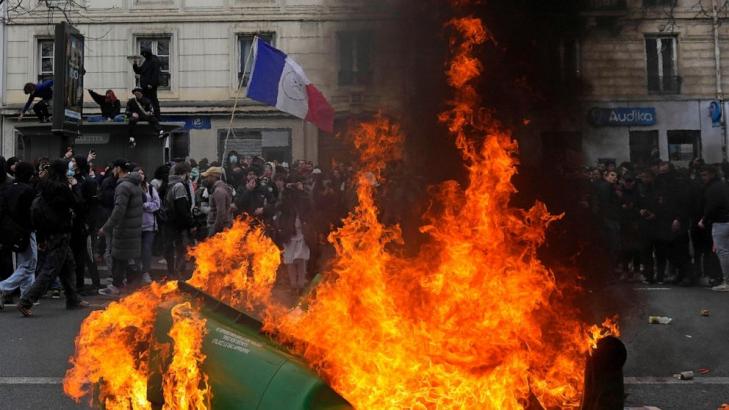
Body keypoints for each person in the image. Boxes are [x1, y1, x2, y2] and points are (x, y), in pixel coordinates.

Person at [17, 160, 89, 316]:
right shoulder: (62, 188)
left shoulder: (44, 186)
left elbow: (40, 213)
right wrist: (75, 186)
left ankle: (72, 298)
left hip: (49, 233)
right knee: (50, 269)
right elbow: (78, 204)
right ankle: (26, 301)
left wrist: (42, 238)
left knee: (68, 264)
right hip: (61, 233)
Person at [98, 160, 144, 296]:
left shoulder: (123, 187)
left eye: (114, 169)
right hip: (133, 227)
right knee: (126, 258)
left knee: (118, 257)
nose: (113, 171)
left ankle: (117, 285)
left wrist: (106, 228)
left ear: (118, 169)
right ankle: (132, 285)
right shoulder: (135, 185)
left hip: (124, 228)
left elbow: (118, 210)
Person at [0, 162, 37, 307]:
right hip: (26, 231)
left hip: (10, 232)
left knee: (24, 263)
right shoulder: (28, 190)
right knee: (29, 265)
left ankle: (26, 296)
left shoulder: (8, 189)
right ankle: (3, 287)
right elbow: (31, 214)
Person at [275, 180, 313, 296]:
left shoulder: (304, 196)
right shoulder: (286, 196)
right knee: (289, 259)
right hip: (289, 233)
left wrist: (301, 191)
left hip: (302, 233)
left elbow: (311, 205)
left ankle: (301, 285)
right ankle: (293, 285)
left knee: (301, 259)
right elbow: (280, 206)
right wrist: (286, 190)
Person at [71, 155, 101, 294]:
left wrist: (89, 223)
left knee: (87, 254)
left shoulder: (87, 181)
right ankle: (78, 284)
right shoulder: (73, 179)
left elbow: (92, 204)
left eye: (73, 162)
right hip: (74, 223)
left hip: (85, 223)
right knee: (77, 255)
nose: (71, 163)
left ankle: (94, 283)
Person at [698, 165, 729, 291]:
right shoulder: (723, 185)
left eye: (705, 175)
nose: (703, 177)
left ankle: (726, 281)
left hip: (720, 222)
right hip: (726, 219)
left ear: (712, 174)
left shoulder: (712, 189)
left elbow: (711, 206)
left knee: (723, 253)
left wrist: (703, 220)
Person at [164, 162, 195, 279]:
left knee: (171, 247)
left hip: (169, 222)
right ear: (185, 173)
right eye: (189, 173)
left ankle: (171, 271)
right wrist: (191, 223)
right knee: (181, 248)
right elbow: (182, 208)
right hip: (178, 224)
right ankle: (178, 273)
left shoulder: (170, 184)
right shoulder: (179, 186)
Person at [139, 167, 160, 284]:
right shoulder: (132, 187)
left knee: (146, 249)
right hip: (135, 225)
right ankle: (137, 271)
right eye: (138, 173)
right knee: (136, 250)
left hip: (149, 225)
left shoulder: (150, 188)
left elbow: (157, 204)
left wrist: (145, 205)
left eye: (142, 173)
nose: (140, 175)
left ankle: (145, 272)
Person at [132, 47, 161, 119]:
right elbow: (139, 71)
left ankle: (157, 116)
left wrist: (151, 84)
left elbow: (155, 73)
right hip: (144, 86)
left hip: (150, 86)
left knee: (153, 101)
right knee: (145, 101)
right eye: (143, 54)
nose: (144, 55)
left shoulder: (154, 61)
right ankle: (147, 116)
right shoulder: (147, 61)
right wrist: (135, 65)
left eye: (145, 54)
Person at [202, 166, 233, 236]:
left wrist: (215, 229)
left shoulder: (218, 191)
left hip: (219, 228)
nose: (206, 179)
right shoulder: (220, 188)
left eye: (208, 176)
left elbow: (221, 212)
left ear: (213, 177)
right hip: (221, 226)